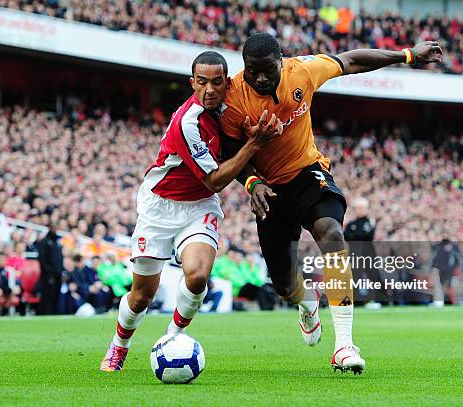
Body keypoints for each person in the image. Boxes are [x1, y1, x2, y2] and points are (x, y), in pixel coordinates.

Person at [219, 33, 442, 374]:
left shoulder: (302, 72)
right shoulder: (232, 98)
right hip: (267, 189)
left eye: (267, 71)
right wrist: (252, 182)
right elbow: (231, 152)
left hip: (308, 172)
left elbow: (351, 60)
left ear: (281, 62)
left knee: (332, 234)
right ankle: (308, 301)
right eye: (252, 72)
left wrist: (407, 55)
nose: (260, 79)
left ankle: (344, 345)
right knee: (283, 285)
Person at [100, 51, 282, 372]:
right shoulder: (188, 121)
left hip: (199, 206)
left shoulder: (230, 110)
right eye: (202, 82)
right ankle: (120, 345)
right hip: (160, 206)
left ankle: (173, 338)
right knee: (142, 295)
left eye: (216, 82)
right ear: (192, 83)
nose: (209, 89)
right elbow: (214, 180)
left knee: (198, 276)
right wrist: (254, 145)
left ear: (227, 83)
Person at [37, 224, 64, 315]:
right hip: (48, 275)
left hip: (58, 275)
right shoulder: (45, 242)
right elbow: (42, 259)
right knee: (48, 296)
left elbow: (60, 259)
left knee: (56, 295)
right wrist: (48, 272)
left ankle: (54, 313)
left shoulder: (57, 242)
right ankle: (46, 313)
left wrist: (61, 271)